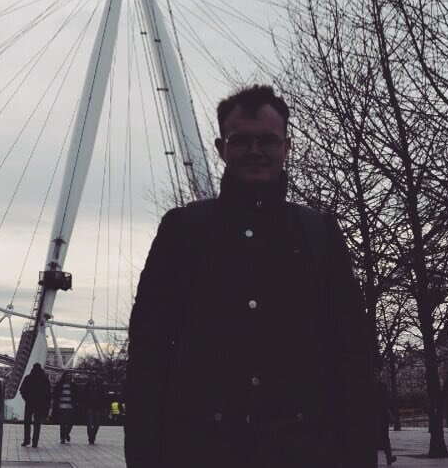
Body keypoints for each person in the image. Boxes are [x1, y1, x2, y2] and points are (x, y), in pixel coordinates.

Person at [124, 84, 376, 468]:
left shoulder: (320, 234)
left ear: (286, 147)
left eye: (267, 141)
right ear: (220, 146)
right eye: (241, 141)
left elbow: (351, 355)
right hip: (200, 452)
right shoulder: (182, 231)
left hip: (301, 451)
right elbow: (149, 352)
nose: (255, 151)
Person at [19, 362, 51, 448]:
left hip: (29, 403)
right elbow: (48, 394)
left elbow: (22, 390)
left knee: (27, 423)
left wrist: (26, 398)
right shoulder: (44, 379)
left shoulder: (28, 378)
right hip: (40, 404)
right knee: (37, 424)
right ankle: (35, 442)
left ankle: (26, 440)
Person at [375, 371, 397, 465]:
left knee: (375, 438)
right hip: (382, 416)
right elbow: (388, 401)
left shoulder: (366, 386)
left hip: (373, 416)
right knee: (385, 438)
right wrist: (391, 414)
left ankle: (377, 460)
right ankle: (388, 457)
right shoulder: (382, 386)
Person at [81, 372, 106, 445]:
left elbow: (103, 398)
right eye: (92, 377)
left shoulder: (100, 386)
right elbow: (84, 398)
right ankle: (91, 438)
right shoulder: (87, 386)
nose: (93, 379)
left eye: (94, 377)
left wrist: (103, 407)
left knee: (97, 424)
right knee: (89, 424)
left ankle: (92, 435)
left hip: (97, 407)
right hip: (89, 407)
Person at [53, 370, 77, 444]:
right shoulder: (59, 385)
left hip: (70, 406)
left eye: (69, 376)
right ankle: (62, 437)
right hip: (62, 406)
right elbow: (55, 394)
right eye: (67, 375)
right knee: (62, 423)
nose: (68, 377)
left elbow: (76, 395)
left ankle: (66, 434)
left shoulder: (73, 385)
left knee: (70, 423)